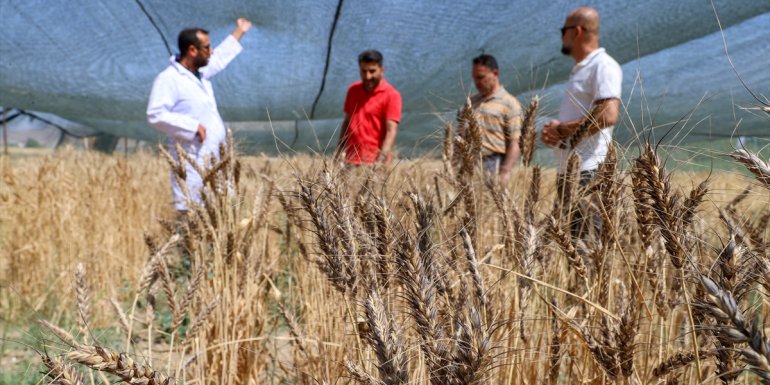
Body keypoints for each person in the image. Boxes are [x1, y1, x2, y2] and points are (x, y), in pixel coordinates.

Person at [147, 18, 252, 212]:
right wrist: (192, 126)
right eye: (206, 47)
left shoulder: (200, 73)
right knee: (193, 225)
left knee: (223, 221)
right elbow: (155, 114)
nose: (211, 51)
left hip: (216, 162)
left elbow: (220, 57)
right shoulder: (169, 79)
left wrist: (240, 31)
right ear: (192, 50)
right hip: (192, 163)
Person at [541, 6, 622, 236]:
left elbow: (608, 114)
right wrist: (556, 132)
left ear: (576, 31)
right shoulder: (581, 69)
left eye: (562, 30)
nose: (561, 36)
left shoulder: (602, 65)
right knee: (575, 247)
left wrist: (561, 130)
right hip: (572, 172)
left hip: (588, 174)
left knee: (585, 249)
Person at [334, 50, 402, 167]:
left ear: (381, 70)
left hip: (375, 163)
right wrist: (339, 150)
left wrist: (381, 160)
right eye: (363, 71)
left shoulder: (391, 95)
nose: (367, 76)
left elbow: (391, 130)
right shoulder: (353, 90)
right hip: (350, 160)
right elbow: (347, 122)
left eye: (372, 71)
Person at [463, 54, 523, 184]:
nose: (477, 82)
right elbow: (460, 135)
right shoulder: (471, 102)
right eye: (474, 78)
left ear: (495, 73)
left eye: (481, 77)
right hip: (468, 164)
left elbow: (516, 141)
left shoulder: (510, 103)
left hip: (494, 163)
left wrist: (505, 171)